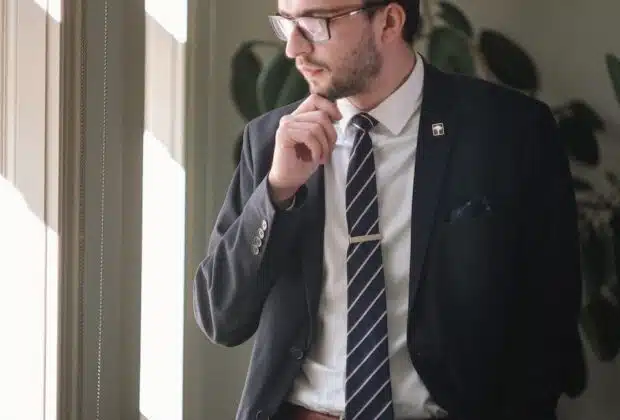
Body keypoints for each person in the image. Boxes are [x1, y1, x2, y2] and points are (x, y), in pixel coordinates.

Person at [193, 0, 586, 419]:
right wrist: (276, 192)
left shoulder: (510, 131)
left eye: (314, 24)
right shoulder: (271, 141)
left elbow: (549, 318)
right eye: (286, 23)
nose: (292, 47)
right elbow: (221, 316)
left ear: (389, 21)